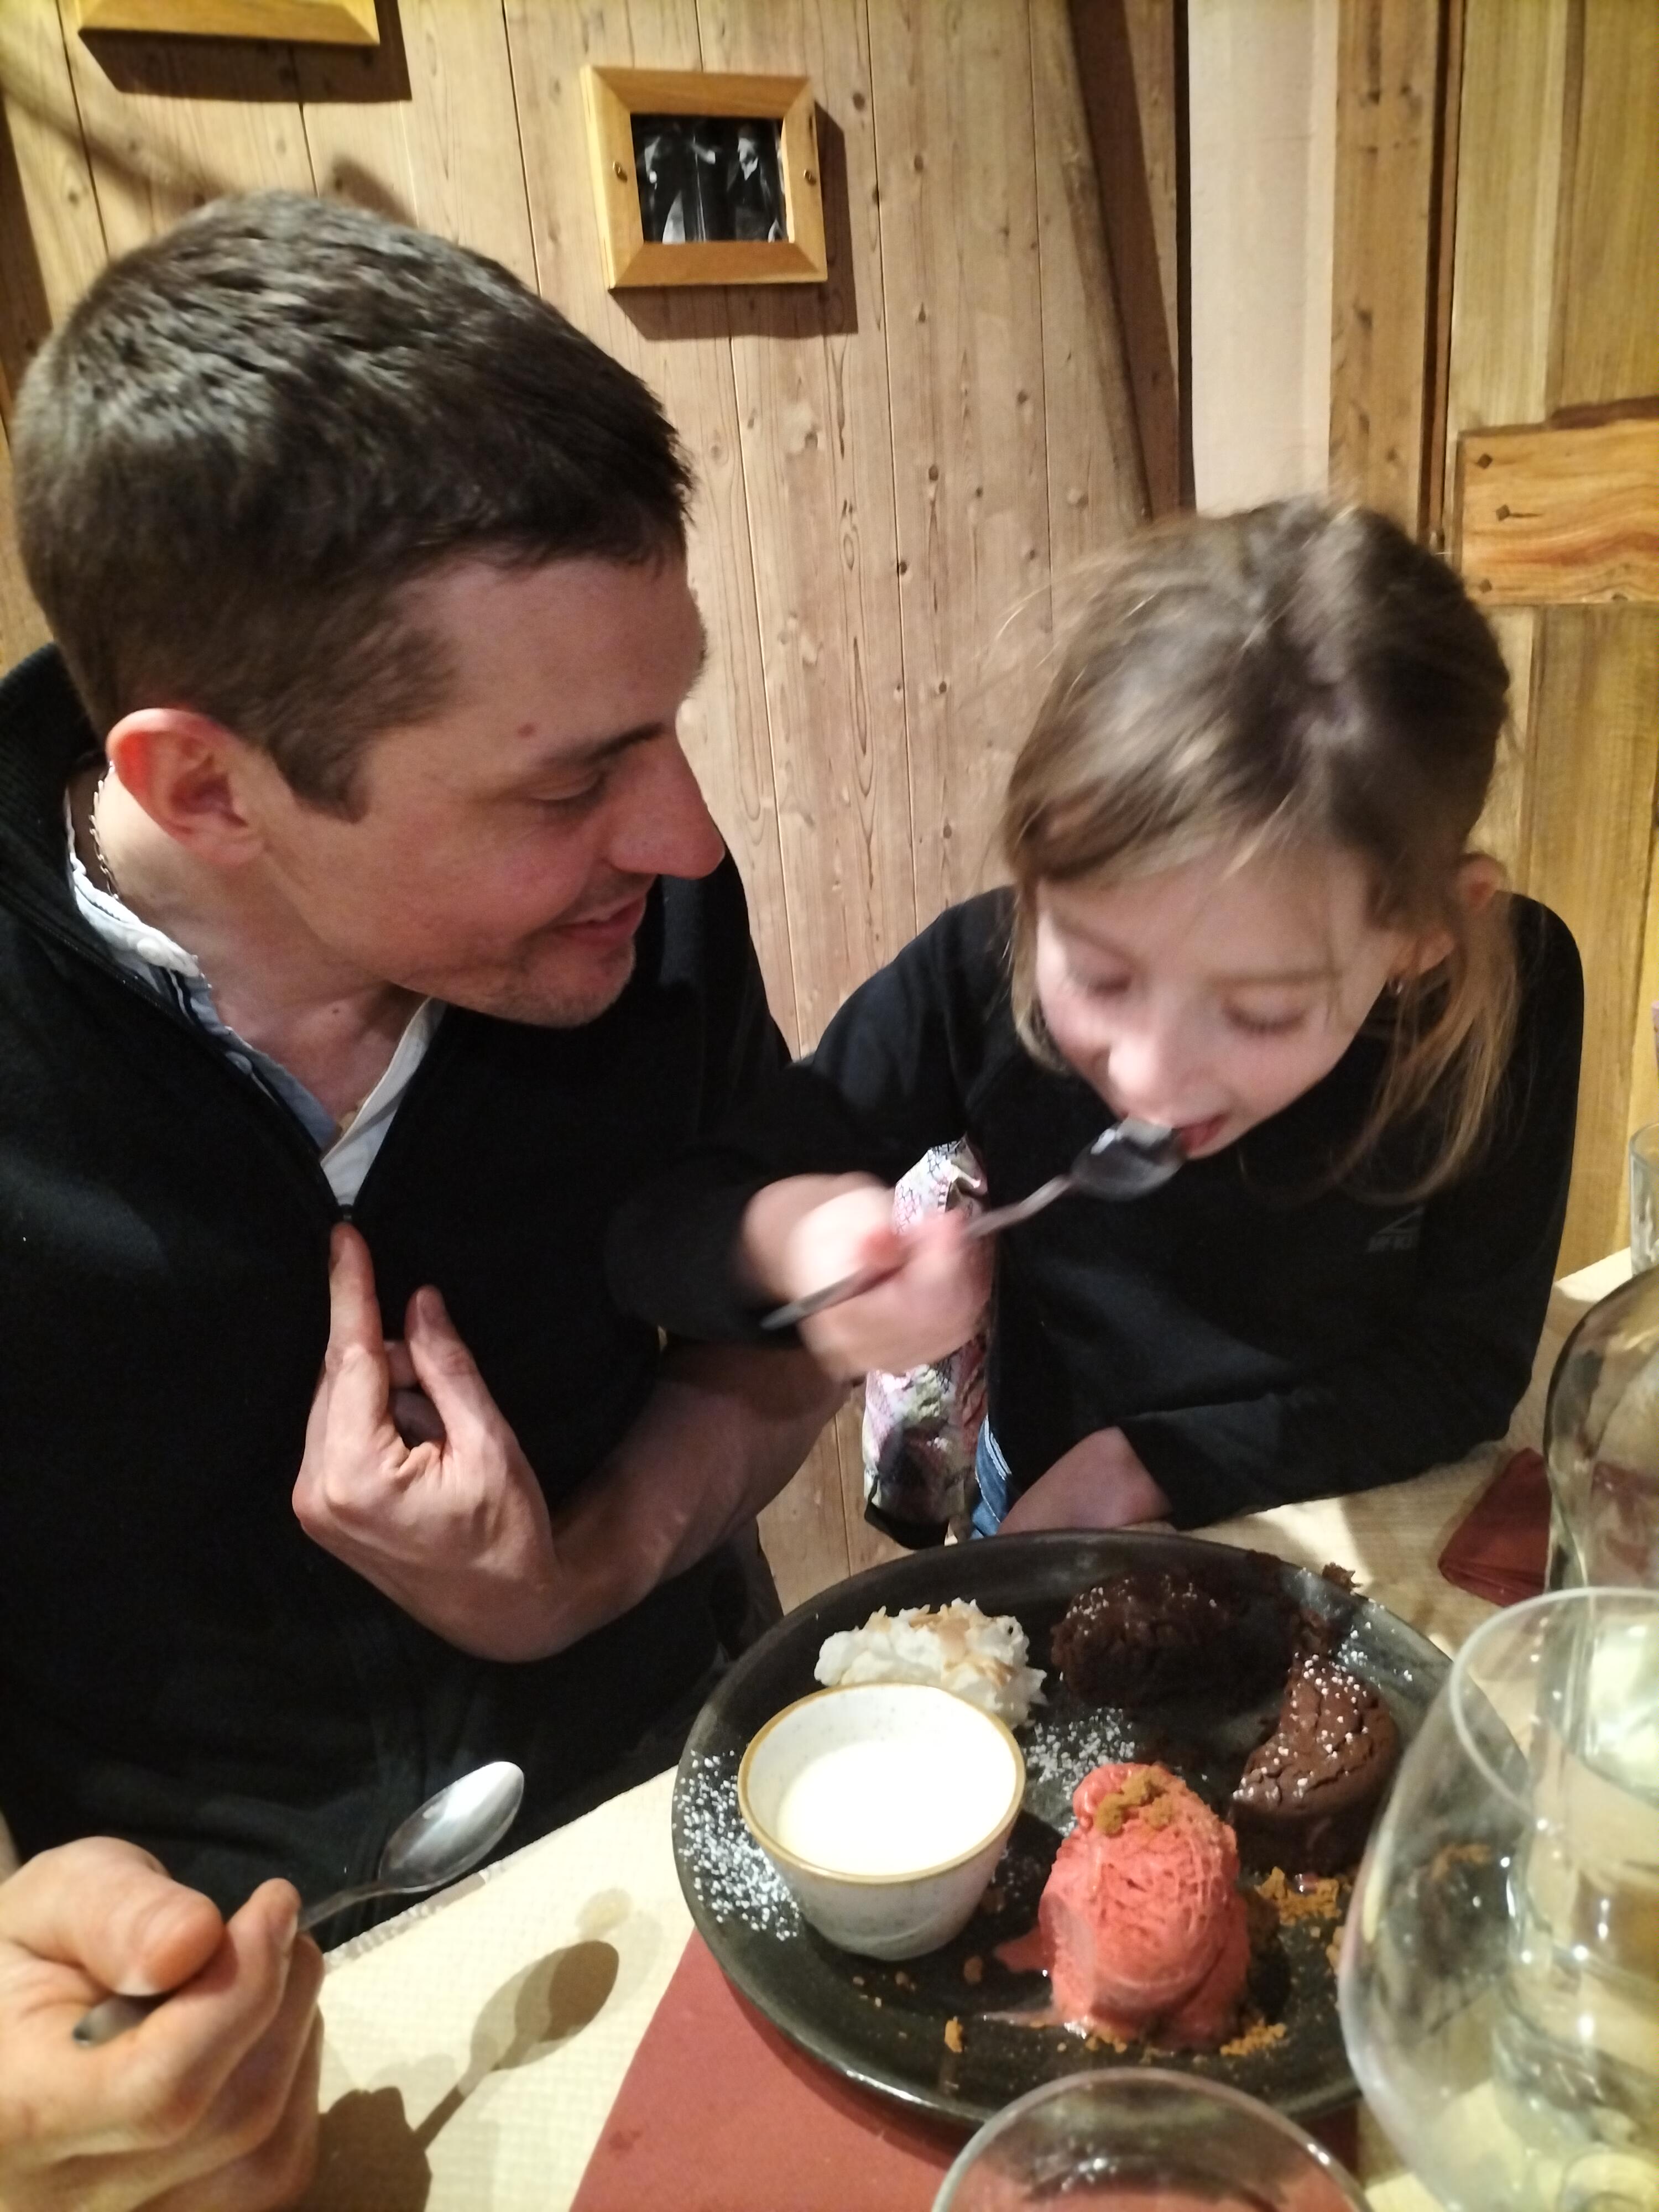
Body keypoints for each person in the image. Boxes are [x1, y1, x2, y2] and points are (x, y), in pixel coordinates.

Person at [0, 191, 838, 2203]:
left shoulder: (638, 917)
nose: (687, 836)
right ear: (209, 788)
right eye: (567, 782)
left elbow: (773, 1335)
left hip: (681, 1816)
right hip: (210, 2021)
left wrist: (585, 1570)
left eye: (668, 725)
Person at [609, 500, 1583, 1542]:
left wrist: (1146, 1466)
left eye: (1262, 1012)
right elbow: (655, 1231)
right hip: (1041, 1500)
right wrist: (801, 1241)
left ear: (1422, 934)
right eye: (1099, 975)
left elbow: (1463, 1366)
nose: (1151, 1079)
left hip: (1337, 1506)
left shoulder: (1503, 996)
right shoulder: (980, 971)